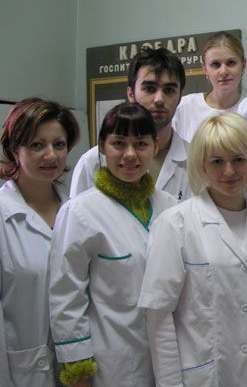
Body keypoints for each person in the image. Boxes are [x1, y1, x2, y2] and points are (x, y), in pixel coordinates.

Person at [138, 113, 247, 386]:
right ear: (201, 164)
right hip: (203, 376)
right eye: (217, 161)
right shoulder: (175, 224)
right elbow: (158, 318)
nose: (230, 171)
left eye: (239, 159)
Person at [49, 103, 176, 387]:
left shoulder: (170, 207)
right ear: (102, 147)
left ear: (155, 147)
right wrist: (78, 369)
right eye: (119, 143)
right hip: (110, 363)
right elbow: (66, 296)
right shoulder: (80, 212)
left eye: (140, 144)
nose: (130, 154)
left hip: (167, 359)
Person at [0, 98, 79, 387]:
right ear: (14, 150)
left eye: (59, 145)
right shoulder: (4, 215)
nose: (51, 155)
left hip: (76, 367)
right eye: (37, 145)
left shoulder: (76, 212)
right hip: (20, 371)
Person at [70, 47, 191, 201]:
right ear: (131, 94)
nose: (159, 99)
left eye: (169, 90)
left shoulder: (197, 160)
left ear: (180, 97)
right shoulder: (93, 161)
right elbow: (77, 214)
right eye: (150, 89)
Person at [172, 31, 247, 142]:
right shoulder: (184, 107)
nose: (223, 71)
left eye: (231, 63)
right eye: (215, 64)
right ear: (205, 69)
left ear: (243, 65)